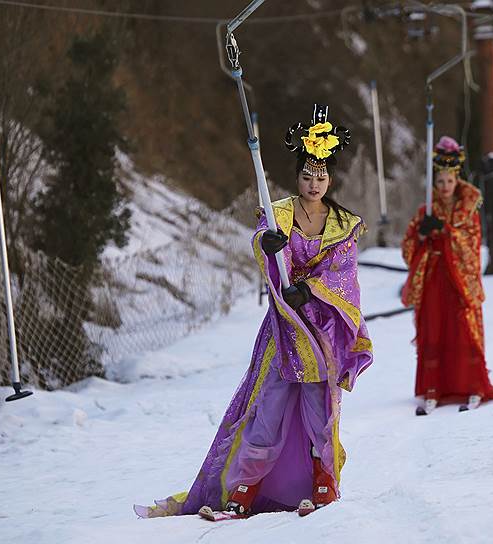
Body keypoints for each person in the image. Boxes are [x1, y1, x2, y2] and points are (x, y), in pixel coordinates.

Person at [134, 105, 372, 519]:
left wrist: (311, 291)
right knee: (267, 411)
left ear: (329, 179)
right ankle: (241, 494)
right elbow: (262, 243)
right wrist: (267, 247)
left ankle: (322, 489)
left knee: (320, 415)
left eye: (321, 177)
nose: (313, 184)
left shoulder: (342, 225)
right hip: (282, 333)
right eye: (306, 175)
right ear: (296, 176)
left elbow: (344, 276)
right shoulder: (277, 214)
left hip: (319, 334)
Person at [401, 136, 493, 416]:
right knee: (434, 329)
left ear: (457, 181)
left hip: (458, 281)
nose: (445, 187)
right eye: (440, 181)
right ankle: (434, 387)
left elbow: (471, 244)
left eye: (449, 181)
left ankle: (472, 385)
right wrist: (422, 234)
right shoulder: (426, 210)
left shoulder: (468, 210)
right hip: (434, 279)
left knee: (461, 331)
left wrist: (445, 232)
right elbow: (408, 247)